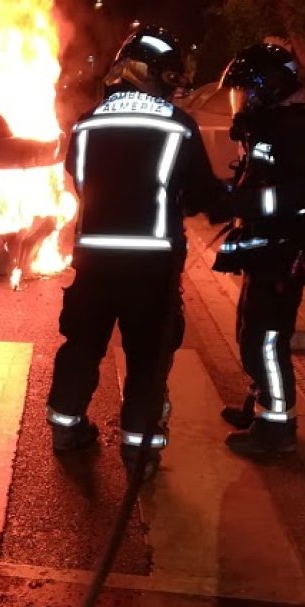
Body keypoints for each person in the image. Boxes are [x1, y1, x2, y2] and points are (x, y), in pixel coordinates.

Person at [47, 26, 226, 479]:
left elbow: (78, 180)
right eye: (169, 75)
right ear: (151, 73)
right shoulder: (176, 125)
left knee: (82, 345)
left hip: (93, 262)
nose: (173, 85)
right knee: (148, 357)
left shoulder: (85, 124)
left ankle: (66, 429)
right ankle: (138, 451)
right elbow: (204, 195)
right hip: (151, 269)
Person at [214, 44, 305, 456]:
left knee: (266, 340)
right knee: (250, 331)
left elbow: (300, 195)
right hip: (265, 252)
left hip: (283, 254)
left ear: (269, 88)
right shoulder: (272, 127)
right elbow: (257, 181)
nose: (240, 100)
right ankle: (259, 403)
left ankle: (277, 427)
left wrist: (239, 203)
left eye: (245, 90)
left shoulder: (296, 130)